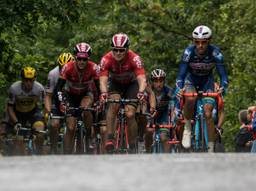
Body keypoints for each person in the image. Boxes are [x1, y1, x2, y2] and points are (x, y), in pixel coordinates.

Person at [175, 25, 228, 152]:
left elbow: (223, 75)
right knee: (191, 99)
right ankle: (187, 126)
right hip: (190, 81)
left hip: (207, 82)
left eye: (203, 42)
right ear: (193, 42)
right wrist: (180, 89)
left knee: (208, 113)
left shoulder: (216, 53)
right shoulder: (188, 52)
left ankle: (210, 148)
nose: (200, 45)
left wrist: (223, 87)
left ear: (209, 41)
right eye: (197, 42)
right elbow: (181, 75)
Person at [99, 33, 147, 153]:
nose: (118, 53)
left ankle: (132, 144)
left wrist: (141, 92)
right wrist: (104, 93)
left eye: (121, 50)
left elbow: (142, 79)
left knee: (130, 114)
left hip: (132, 85)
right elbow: (103, 80)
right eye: (115, 50)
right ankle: (110, 138)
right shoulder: (106, 59)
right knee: (113, 104)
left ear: (127, 49)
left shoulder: (134, 58)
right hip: (116, 84)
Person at [54, 42, 99, 154]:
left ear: (88, 58)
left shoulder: (94, 67)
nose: (81, 62)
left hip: (85, 94)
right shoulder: (67, 67)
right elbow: (58, 88)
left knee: (86, 108)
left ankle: (88, 135)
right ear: (75, 58)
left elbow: (99, 88)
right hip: (70, 95)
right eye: (79, 59)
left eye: (84, 59)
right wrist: (61, 102)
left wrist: (99, 101)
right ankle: (67, 153)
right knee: (70, 127)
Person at [7, 66, 45, 155]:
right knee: (19, 140)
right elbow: (9, 107)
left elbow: (45, 106)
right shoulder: (14, 88)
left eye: (31, 80)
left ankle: (39, 154)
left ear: (34, 79)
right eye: (26, 80)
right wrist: (16, 122)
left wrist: (45, 118)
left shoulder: (39, 88)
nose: (28, 83)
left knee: (40, 132)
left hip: (33, 112)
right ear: (22, 80)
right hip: (18, 113)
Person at [44, 52, 74, 154]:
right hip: (56, 100)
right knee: (54, 124)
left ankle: (69, 149)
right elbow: (48, 95)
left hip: (70, 98)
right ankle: (53, 148)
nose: (64, 69)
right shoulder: (53, 74)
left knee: (72, 124)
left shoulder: (77, 71)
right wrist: (48, 112)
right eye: (62, 67)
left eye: (67, 66)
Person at [146, 69, 175, 153]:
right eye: (155, 81)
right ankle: (147, 154)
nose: (158, 83)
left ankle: (166, 159)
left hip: (164, 117)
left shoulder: (169, 91)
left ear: (164, 81)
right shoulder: (148, 91)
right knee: (149, 132)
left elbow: (172, 106)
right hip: (150, 116)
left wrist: (173, 120)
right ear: (152, 82)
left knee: (164, 137)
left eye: (161, 80)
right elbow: (143, 106)